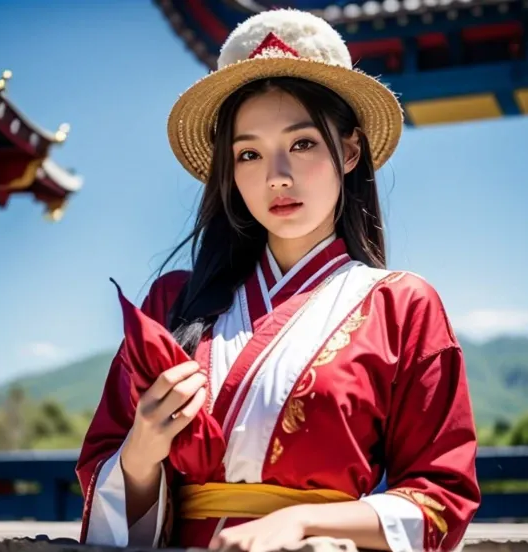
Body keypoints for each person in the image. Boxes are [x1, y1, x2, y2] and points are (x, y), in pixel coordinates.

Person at [76, 8, 480, 552]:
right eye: (249, 153)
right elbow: (107, 481)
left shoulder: (402, 306)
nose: (277, 176)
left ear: (351, 151)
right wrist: (142, 451)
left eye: (303, 143)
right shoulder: (174, 300)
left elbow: (441, 496)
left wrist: (303, 523)